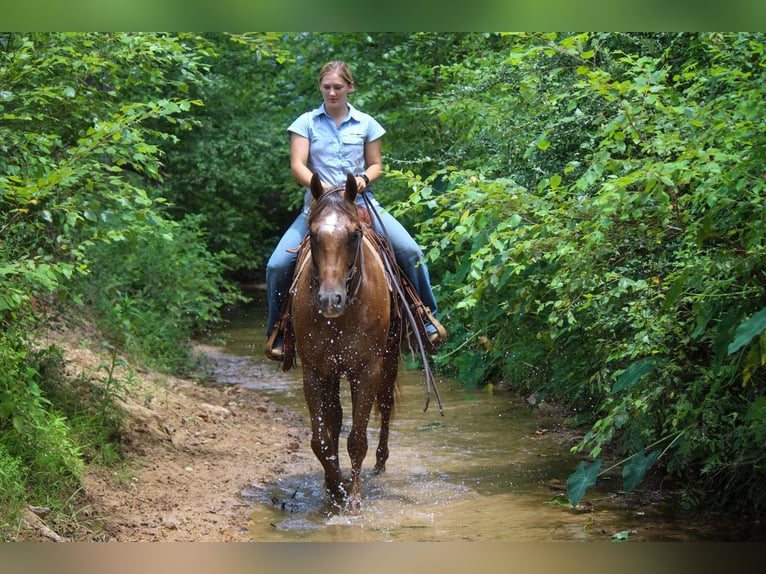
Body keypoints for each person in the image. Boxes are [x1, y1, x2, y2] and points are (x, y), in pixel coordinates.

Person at [265, 60, 445, 360]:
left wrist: (363, 179)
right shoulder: (305, 123)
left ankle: (426, 318)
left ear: (350, 87)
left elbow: (376, 165)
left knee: (410, 251)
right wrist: (320, 187)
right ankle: (279, 330)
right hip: (319, 207)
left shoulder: (367, 124)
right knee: (277, 265)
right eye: (326, 87)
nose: (332, 93)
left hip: (362, 204)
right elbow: (297, 165)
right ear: (320, 88)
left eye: (338, 87)